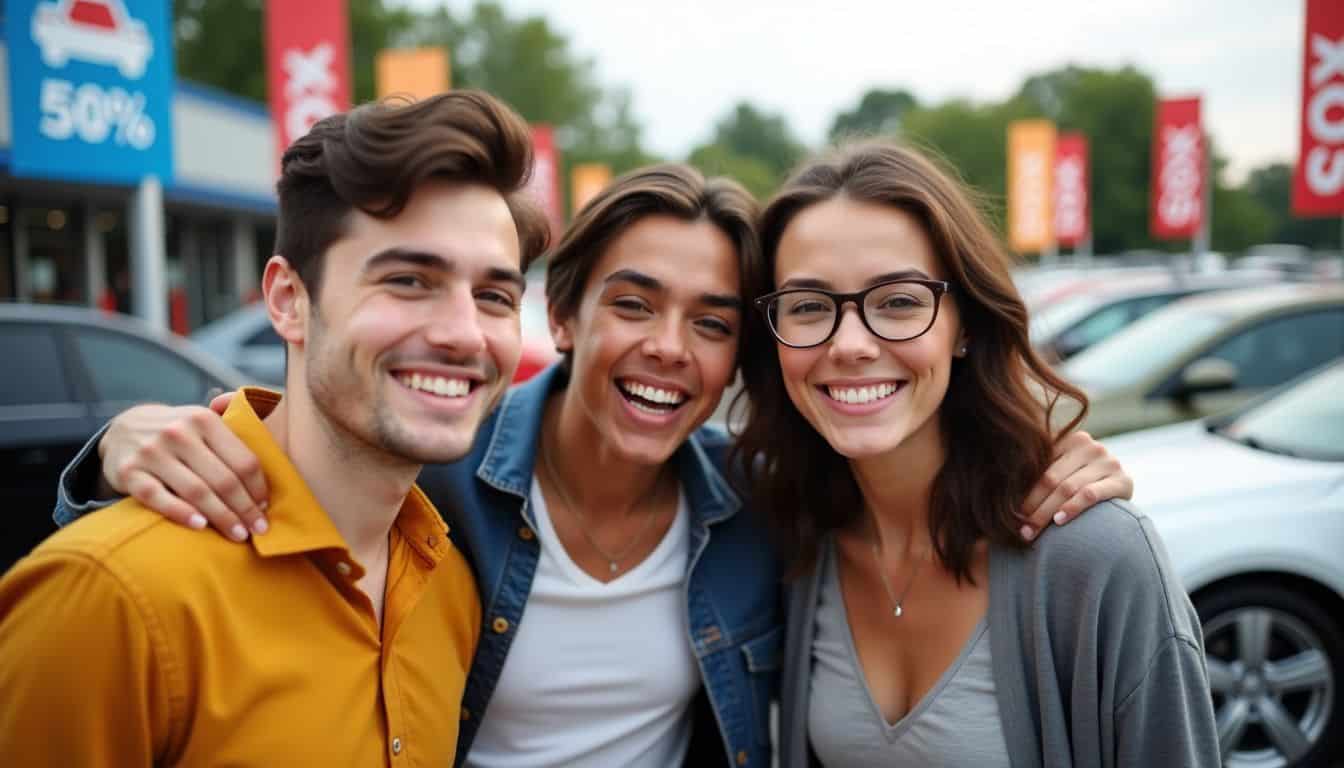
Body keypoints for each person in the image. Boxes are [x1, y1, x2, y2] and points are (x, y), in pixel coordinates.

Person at [52, 164, 1133, 767]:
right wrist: (111, 453)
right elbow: (315, 447)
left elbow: (917, 464)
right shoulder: (438, 485)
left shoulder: (761, 512)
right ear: (561, 314)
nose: (669, 346)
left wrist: (1052, 465)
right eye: (633, 303)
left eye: (712, 322)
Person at [0, 91, 548, 765]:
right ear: (289, 301)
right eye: (408, 280)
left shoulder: (450, 585)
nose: (465, 333)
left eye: (494, 296)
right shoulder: (111, 597)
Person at [732, 141, 1219, 767]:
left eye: (899, 301)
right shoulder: (790, 535)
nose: (850, 343)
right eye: (807, 306)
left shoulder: (1096, 559)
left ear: (964, 325)